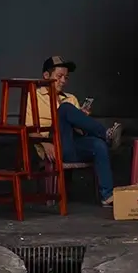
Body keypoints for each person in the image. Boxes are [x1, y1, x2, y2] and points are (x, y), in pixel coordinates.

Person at [26, 56, 122, 207]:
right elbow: (28, 129)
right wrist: (44, 143)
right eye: (59, 77)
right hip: (53, 146)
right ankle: (106, 134)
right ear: (46, 76)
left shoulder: (70, 98)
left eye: (66, 77)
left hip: (71, 144)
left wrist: (82, 119)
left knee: (98, 145)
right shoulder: (33, 97)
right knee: (64, 109)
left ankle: (107, 195)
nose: (63, 81)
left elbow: (80, 132)